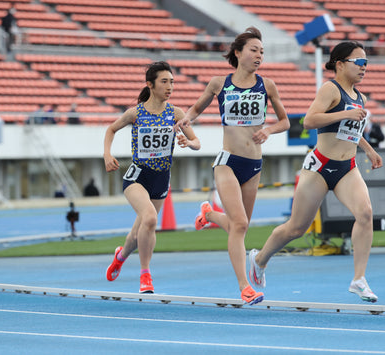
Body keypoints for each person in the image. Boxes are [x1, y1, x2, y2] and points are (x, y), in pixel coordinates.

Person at [248, 41, 383, 303]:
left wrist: (368, 149)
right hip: (320, 167)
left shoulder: (360, 97)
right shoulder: (330, 89)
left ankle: (359, 279)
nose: (365, 68)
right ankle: (259, 258)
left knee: (365, 213)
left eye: (367, 63)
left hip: (347, 168)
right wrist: (344, 113)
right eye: (360, 63)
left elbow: (349, 130)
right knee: (297, 228)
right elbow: (309, 121)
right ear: (341, 64)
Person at [175, 27, 290, 305]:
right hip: (227, 161)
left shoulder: (268, 85)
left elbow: (285, 121)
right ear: (238, 53)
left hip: (254, 164)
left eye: (262, 51)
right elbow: (196, 108)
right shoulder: (219, 83)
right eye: (254, 50)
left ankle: (209, 216)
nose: (259, 55)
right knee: (239, 224)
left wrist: (269, 131)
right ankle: (245, 287)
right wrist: (186, 120)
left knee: (241, 225)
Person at [104, 61, 200, 294]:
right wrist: (107, 154)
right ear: (150, 84)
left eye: (172, 82)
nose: (170, 87)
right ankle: (145, 275)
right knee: (149, 218)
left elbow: (197, 142)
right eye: (164, 82)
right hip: (138, 176)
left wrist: (188, 143)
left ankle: (121, 255)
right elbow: (111, 129)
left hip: (160, 179)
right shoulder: (135, 113)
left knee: (138, 234)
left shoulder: (176, 113)